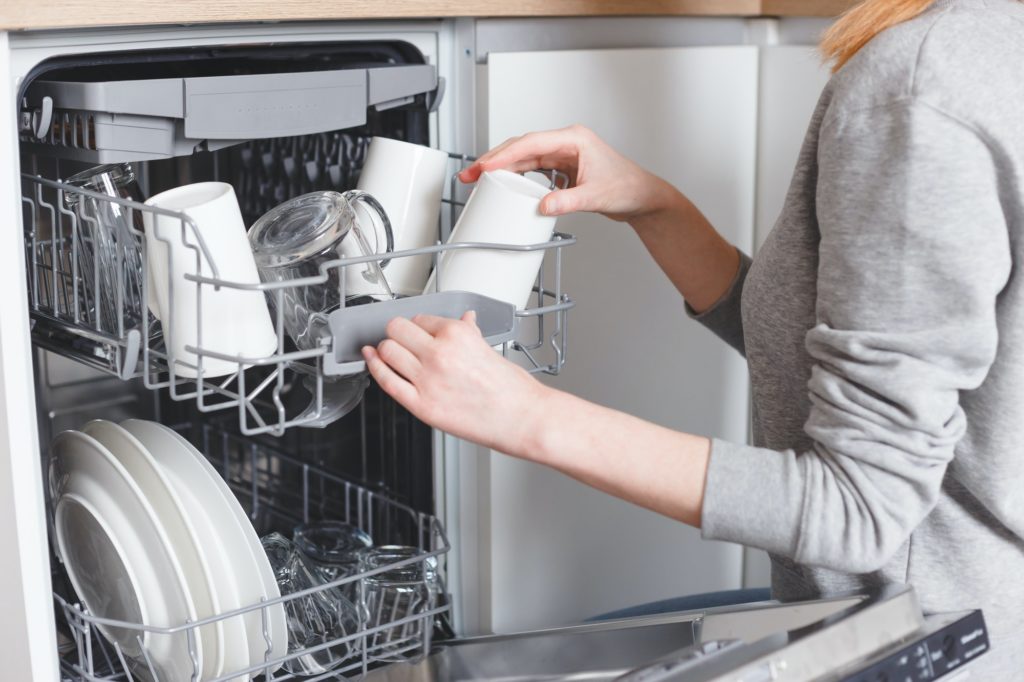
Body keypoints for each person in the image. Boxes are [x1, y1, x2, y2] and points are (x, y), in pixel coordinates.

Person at [362, 0, 1024, 674]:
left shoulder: (917, 90)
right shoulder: (992, 47)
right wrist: (656, 206)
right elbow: (833, 360)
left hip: (916, 643)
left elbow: (856, 510)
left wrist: (525, 416)